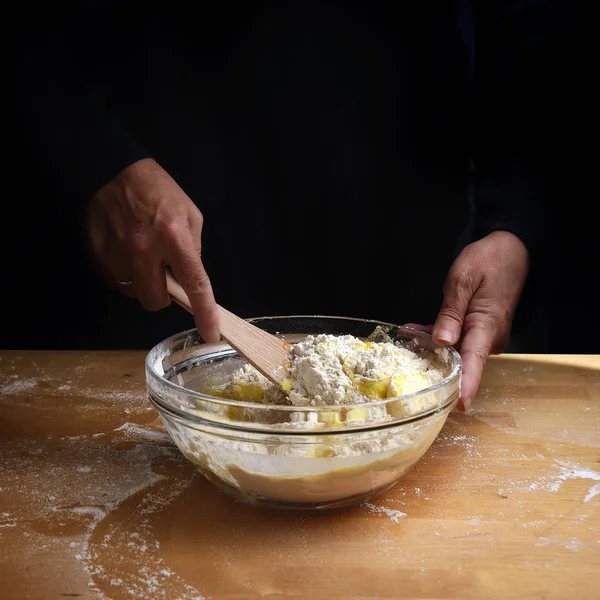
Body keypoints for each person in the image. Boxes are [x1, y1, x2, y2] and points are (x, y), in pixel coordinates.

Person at [12, 1, 565, 411]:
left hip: (413, 303)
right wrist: (93, 157)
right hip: (142, 293)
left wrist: (515, 224)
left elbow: (536, 53)